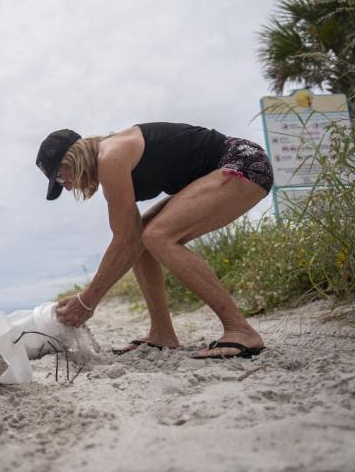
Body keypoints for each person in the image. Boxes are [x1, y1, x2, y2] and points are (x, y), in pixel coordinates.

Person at [37, 122, 272, 359]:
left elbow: (124, 240)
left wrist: (87, 302)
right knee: (143, 236)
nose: (65, 187)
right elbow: (130, 239)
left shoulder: (110, 156)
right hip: (225, 171)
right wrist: (87, 300)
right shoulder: (109, 159)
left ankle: (240, 330)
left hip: (244, 163)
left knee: (157, 236)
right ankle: (162, 333)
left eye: (59, 177)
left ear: (72, 158)